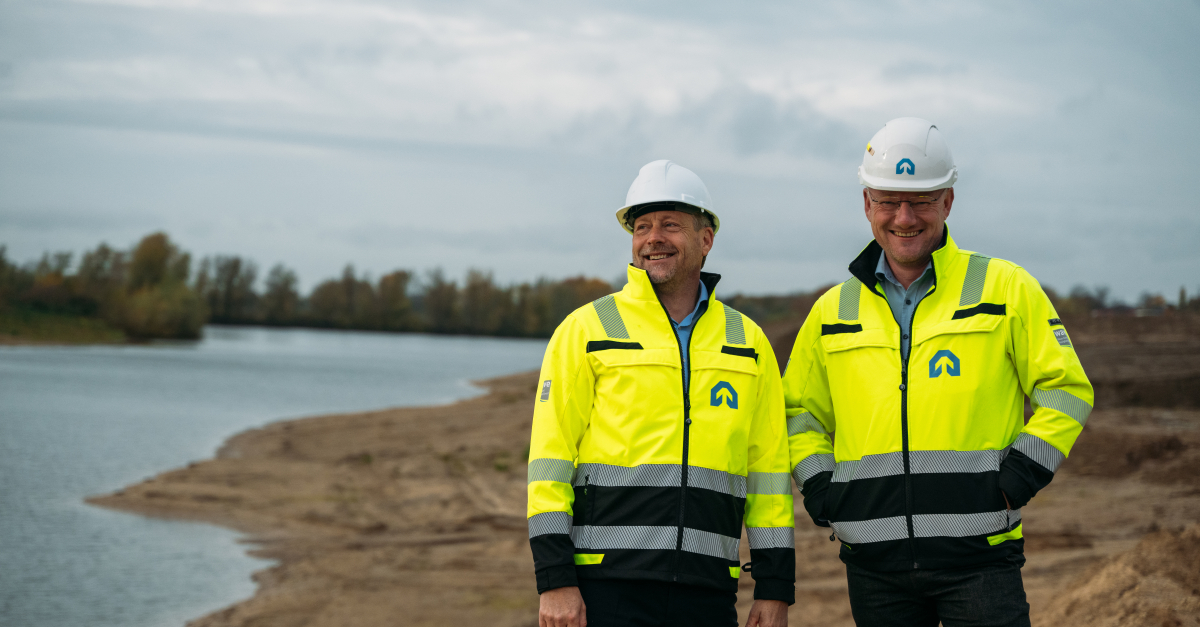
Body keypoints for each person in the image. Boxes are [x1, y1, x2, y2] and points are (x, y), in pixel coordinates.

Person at [783, 118, 1093, 626]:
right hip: (874, 566)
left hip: (980, 560)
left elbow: (1067, 390)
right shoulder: (831, 312)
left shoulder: (1004, 289)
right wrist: (823, 490)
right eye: (888, 200)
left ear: (947, 202)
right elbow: (799, 413)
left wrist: (1017, 478)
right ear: (867, 205)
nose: (904, 217)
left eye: (921, 200)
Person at [527, 160, 795, 627]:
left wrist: (775, 587)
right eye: (642, 226)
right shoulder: (585, 330)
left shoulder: (748, 343)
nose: (653, 238)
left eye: (671, 225)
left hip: (708, 591)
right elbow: (550, 462)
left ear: (706, 239)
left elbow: (768, 474)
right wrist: (554, 579)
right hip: (605, 588)